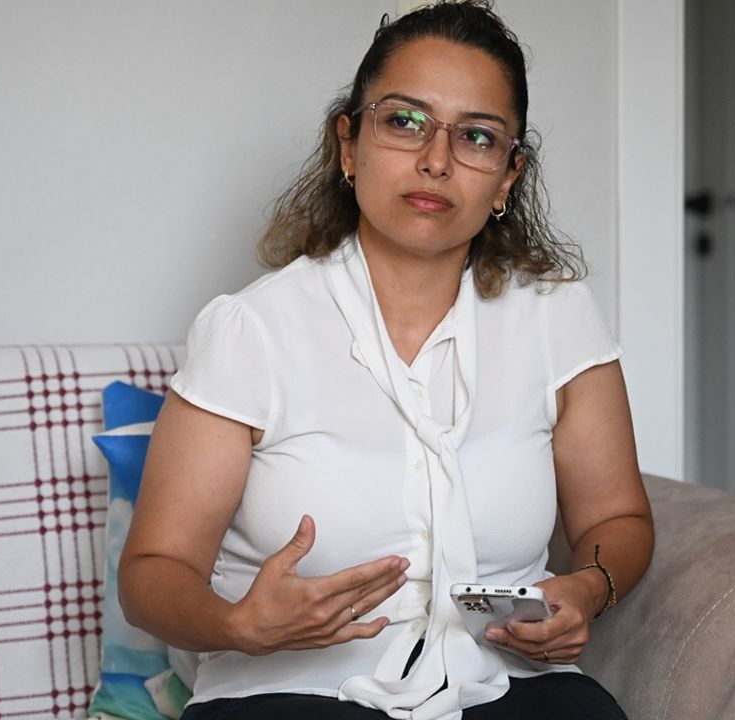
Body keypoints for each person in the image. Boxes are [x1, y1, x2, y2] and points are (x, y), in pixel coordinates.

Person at [119, 2, 654, 718]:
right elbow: (153, 572)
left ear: (506, 177)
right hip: (291, 690)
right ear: (348, 145)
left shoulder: (559, 318)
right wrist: (239, 625)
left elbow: (618, 517)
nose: (436, 160)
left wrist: (588, 589)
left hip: (502, 679)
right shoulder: (251, 330)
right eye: (404, 121)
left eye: (476, 136)